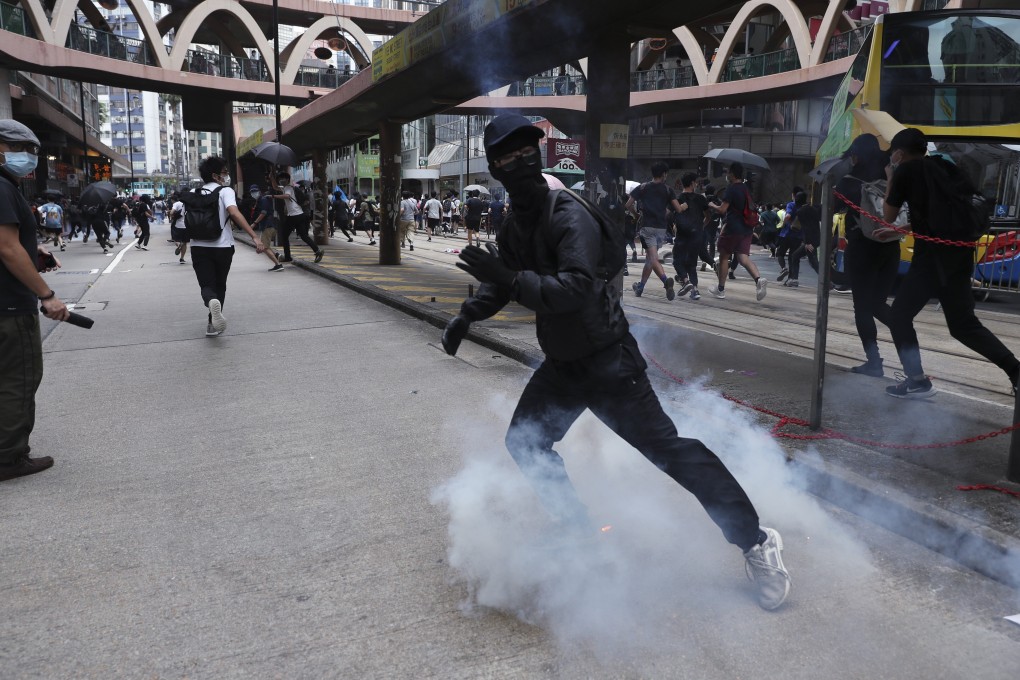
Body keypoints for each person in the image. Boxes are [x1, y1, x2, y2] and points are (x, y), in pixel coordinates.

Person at [442, 114, 791, 610]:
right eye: (506, 158)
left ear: (538, 156)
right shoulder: (516, 222)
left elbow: (576, 288)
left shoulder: (566, 214)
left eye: (526, 154)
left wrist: (507, 277)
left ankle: (756, 541)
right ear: (495, 169)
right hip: (564, 366)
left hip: (609, 364)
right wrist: (466, 316)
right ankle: (580, 533)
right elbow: (505, 280)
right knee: (528, 443)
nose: (518, 164)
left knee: (671, 452)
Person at [883, 128, 1020, 397]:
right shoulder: (945, 165)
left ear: (899, 152)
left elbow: (888, 214)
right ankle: (1015, 370)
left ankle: (917, 381)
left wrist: (891, 176)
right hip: (958, 254)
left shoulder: (905, 171)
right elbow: (941, 213)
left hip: (932, 258)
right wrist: (904, 230)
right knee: (962, 325)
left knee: (898, 316)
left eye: (893, 153)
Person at [0, 119, 70, 482]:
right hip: (9, 306)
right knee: (19, 378)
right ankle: (10, 457)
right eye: (19, 149)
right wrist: (47, 294)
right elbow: (7, 248)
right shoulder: (1, 187)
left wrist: (35, 249)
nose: (27, 158)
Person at [835, 134, 898, 377]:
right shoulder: (889, 175)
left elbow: (832, 208)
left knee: (863, 307)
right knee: (878, 303)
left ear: (857, 154)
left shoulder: (849, 180)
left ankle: (874, 362)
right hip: (890, 245)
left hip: (862, 247)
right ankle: (909, 352)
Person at [186, 156, 266, 337]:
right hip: (222, 247)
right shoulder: (225, 191)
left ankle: (211, 301)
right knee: (220, 284)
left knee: (206, 285)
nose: (227, 175)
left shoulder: (194, 192)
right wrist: (254, 237)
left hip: (198, 246)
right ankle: (211, 323)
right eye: (225, 172)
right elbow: (234, 213)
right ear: (215, 175)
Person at [709, 163, 767, 301]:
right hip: (747, 229)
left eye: (728, 172)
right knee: (742, 257)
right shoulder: (746, 189)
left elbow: (723, 209)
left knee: (724, 257)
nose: (726, 175)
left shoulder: (732, 189)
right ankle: (758, 280)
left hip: (733, 228)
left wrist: (712, 205)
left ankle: (721, 289)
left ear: (733, 174)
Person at [626, 161, 680, 301]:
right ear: (663, 174)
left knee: (653, 259)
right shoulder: (668, 190)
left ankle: (665, 281)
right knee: (650, 260)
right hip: (661, 229)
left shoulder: (642, 187)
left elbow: (628, 204)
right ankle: (640, 287)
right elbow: (677, 208)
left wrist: (637, 215)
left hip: (647, 227)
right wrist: (670, 210)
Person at [269, 172, 323, 264]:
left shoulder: (288, 188)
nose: (281, 180)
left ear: (287, 179)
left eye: (283, 178)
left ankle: (287, 257)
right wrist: (271, 178)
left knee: (284, 236)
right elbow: (275, 187)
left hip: (293, 216)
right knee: (304, 236)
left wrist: (273, 196)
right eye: (280, 179)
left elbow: (287, 196)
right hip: (300, 214)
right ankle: (317, 251)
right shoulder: (285, 188)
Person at [672, 172, 709, 301]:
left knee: (677, 260)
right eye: (696, 182)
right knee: (692, 264)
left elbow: (673, 216)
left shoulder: (678, 198)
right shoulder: (700, 199)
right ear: (693, 183)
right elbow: (708, 216)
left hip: (682, 234)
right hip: (697, 234)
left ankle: (685, 281)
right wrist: (701, 227)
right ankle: (695, 290)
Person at [783, 198, 822, 288]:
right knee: (797, 256)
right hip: (816, 238)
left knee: (813, 261)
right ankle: (794, 279)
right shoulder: (813, 208)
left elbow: (804, 227)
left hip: (810, 241)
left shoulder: (801, 211)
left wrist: (807, 242)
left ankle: (827, 281)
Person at [246, 184, 285, 272]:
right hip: (268, 226)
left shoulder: (263, 200)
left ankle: (278, 265)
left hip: (268, 225)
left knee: (264, 247)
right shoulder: (260, 201)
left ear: (259, 191)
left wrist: (254, 223)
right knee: (265, 246)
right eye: (252, 192)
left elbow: (263, 213)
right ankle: (277, 256)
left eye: (255, 191)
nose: (253, 193)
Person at [168, 192, 189, 264]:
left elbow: (171, 212)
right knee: (185, 242)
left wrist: (172, 216)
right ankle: (182, 258)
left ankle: (179, 244)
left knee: (176, 239)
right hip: (186, 225)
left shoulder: (176, 204)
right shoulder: (187, 203)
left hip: (178, 225)